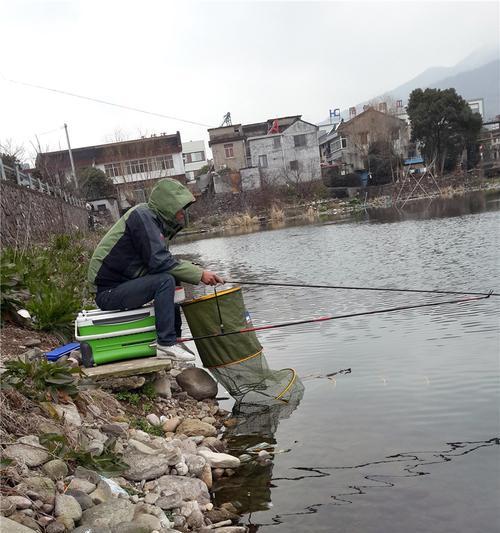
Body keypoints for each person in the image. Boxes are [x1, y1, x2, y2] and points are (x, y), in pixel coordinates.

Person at [87, 178, 224, 362]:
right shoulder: (143, 217)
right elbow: (159, 262)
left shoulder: (154, 220)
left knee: (171, 277)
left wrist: (195, 270)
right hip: (108, 292)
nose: (183, 213)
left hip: (123, 285)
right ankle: (166, 344)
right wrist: (199, 275)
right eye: (180, 207)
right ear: (168, 204)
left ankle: (174, 338)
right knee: (165, 280)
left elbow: (161, 260)